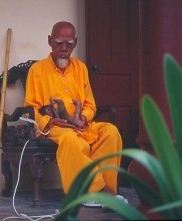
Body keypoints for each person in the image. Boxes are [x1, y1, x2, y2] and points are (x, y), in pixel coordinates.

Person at [24, 21, 126, 207]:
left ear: (75, 43)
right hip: (54, 127)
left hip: (81, 126)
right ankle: (99, 194)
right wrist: (51, 120)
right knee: (71, 140)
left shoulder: (81, 68)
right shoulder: (36, 70)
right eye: (58, 43)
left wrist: (83, 118)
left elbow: (89, 104)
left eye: (69, 44)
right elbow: (31, 108)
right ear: (49, 41)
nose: (64, 48)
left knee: (111, 131)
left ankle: (101, 192)